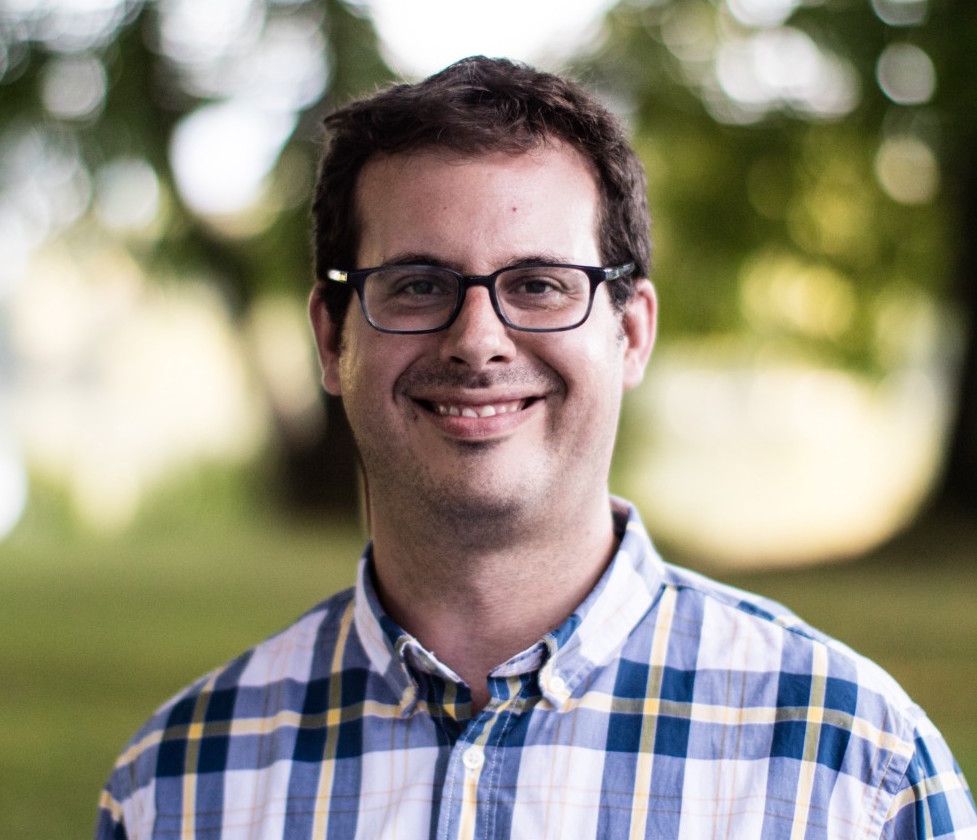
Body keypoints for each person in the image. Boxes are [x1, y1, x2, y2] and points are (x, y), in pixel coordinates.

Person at [96, 56, 976, 839]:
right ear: (332, 338)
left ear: (630, 333)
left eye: (540, 285)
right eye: (417, 285)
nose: (477, 340)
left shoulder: (850, 770)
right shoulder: (179, 784)